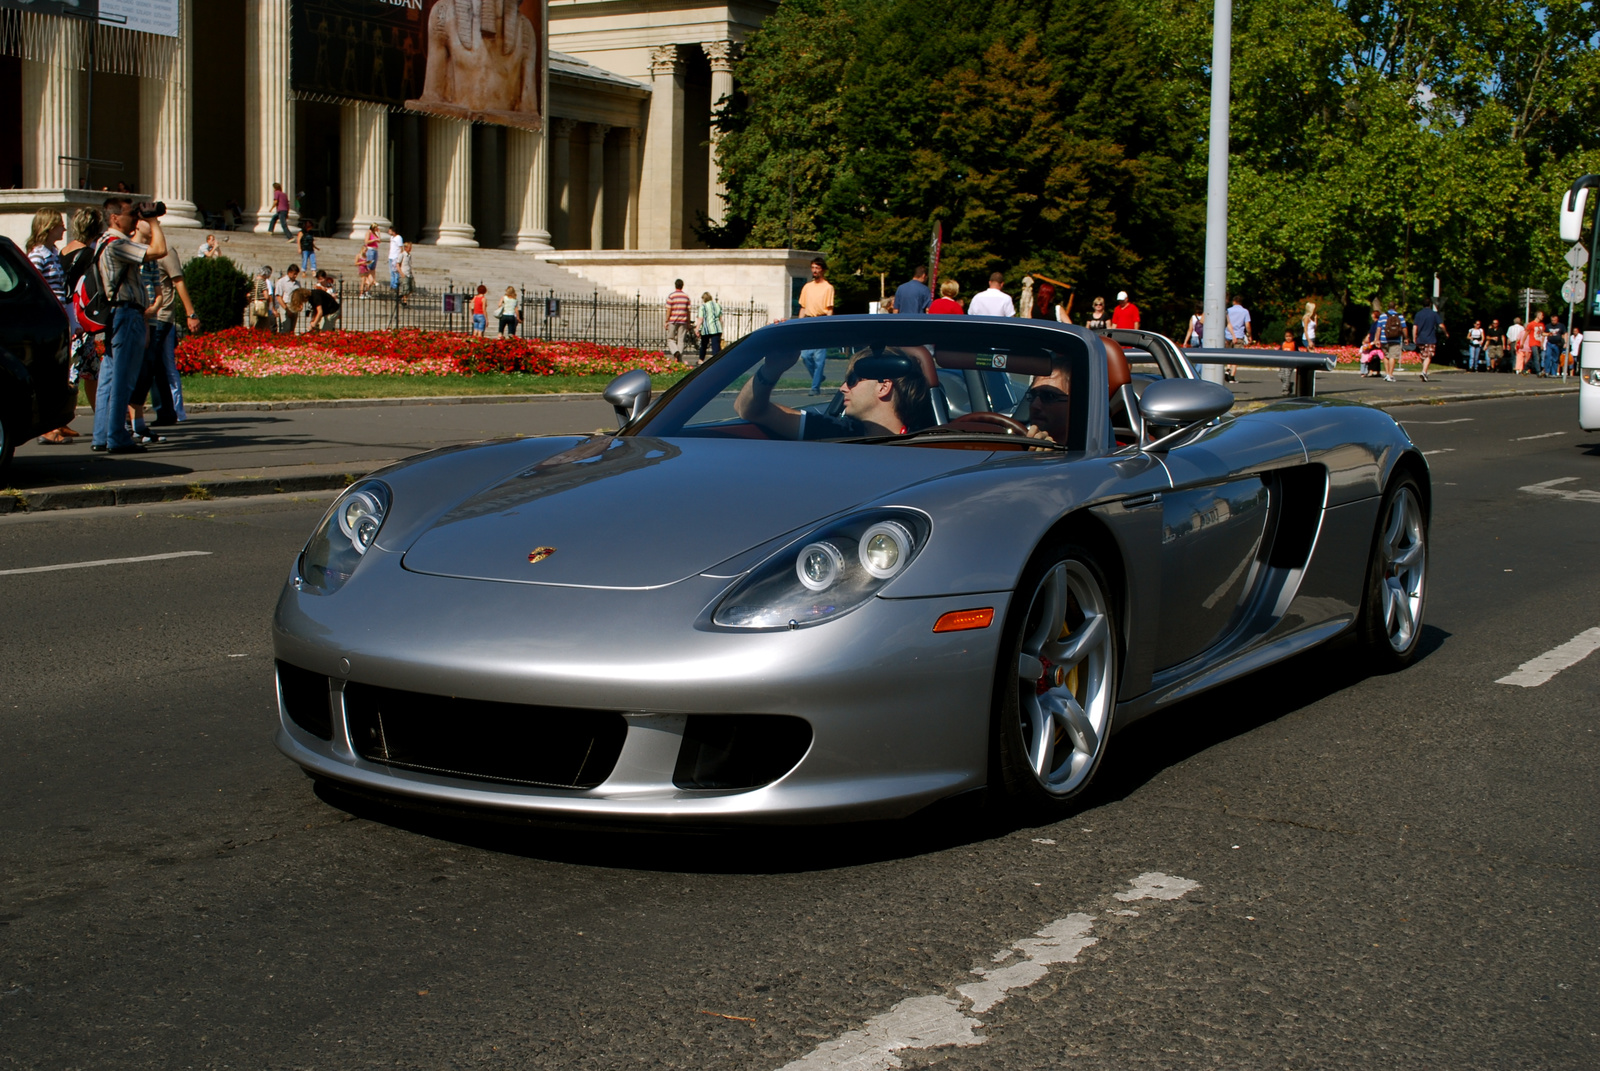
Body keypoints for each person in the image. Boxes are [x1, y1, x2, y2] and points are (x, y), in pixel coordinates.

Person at [91, 198, 168, 454]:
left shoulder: (102, 242)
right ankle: (117, 438)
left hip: (117, 315)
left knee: (108, 379)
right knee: (123, 380)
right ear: (114, 218)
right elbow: (158, 250)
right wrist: (154, 221)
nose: (134, 218)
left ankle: (102, 436)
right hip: (127, 315)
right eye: (129, 214)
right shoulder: (116, 245)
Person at [734, 349, 928, 440]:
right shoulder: (836, 431)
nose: (843, 388)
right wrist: (772, 369)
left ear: (883, 387)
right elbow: (750, 410)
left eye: (852, 380)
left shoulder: (930, 444)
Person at [137, 217, 199, 428]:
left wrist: (190, 313)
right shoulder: (140, 249)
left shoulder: (166, 251)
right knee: (157, 366)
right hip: (148, 315)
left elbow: (178, 281)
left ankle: (164, 410)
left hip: (162, 316)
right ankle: (165, 410)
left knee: (153, 364)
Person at [27, 209, 78, 444]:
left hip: (58, 317)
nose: (63, 229)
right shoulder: (39, 255)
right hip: (48, 319)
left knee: (59, 371)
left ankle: (57, 421)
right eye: (59, 225)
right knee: (48, 372)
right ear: (48, 227)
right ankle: (45, 428)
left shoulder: (53, 252)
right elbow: (35, 287)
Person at [60, 207, 105, 427]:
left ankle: (100, 417)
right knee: (74, 371)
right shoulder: (89, 255)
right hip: (79, 319)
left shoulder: (64, 251)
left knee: (91, 369)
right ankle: (59, 420)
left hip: (68, 314)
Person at [797, 258, 835, 393]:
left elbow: (829, 309)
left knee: (819, 358)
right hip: (808, 321)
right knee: (806, 356)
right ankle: (818, 378)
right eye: (813, 267)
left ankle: (815, 387)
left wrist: (828, 326)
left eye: (817, 268)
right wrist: (799, 324)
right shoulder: (807, 287)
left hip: (821, 321)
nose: (814, 270)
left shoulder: (828, 287)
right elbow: (803, 307)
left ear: (823, 270)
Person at [1021, 354, 1073, 445]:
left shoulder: (1092, 451)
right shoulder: (1017, 444)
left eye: (1049, 396)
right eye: (1033, 395)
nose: (1034, 405)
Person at [1412, 297, 1444, 381]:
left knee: (1423, 355)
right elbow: (1441, 325)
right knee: (1429, 355)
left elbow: (1415, 326)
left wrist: (1414, 337)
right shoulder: (1433, 314)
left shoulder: (1418, 314)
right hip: (1430, 338)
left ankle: (1424, 372)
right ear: (1430, 304)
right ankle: (1424, 372)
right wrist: (1446, 332)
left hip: (1420, 338)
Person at [1376, 301, 1407, 382]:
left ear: (1387, 307)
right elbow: (1404, 328)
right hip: (1395, 339)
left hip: (1384, 339)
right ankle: (1390, 374)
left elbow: (1378, 328)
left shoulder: (1382, 316)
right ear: (1395, 307)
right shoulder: (1400, 316)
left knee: (1386, 356)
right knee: (1392, 356)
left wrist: (1377, 339)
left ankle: (1387, 373)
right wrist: (1406, 338)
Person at [1224, 296, 1252, 382]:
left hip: (1228, 334)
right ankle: (1232, 376)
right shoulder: (1245, 311)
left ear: (1234, 301)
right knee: (1236, 356)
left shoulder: (1228, 310)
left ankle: (1227, 368)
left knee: (1229, 355)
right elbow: (1247, 325)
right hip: (1239, 335)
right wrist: (1249, 335)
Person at [665, 278, 692, 362]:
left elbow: (669, 309)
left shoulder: (671, 296)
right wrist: (688, 322)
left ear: (675, 285)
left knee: (670, 338)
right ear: (682, 286)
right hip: (683, 320)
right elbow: (688, 311)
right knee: (681, 340)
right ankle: (679, 356)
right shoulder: (686, 297)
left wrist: (666, 321)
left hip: (673, 320)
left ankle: (676, 352)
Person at [274, 263, 303, 333]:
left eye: (296, 274)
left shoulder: (297, 283)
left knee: (292, 328)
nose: (295, 276)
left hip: (294, 305)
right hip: (286, 305)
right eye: (294, 274)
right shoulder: (281, 282)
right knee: (286, 327)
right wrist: (286, 308)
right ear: (289, 273)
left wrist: (300, 304)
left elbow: (299, 295)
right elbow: (278, 297)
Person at [698, 291, 724, 365]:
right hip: (716, 328)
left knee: (703, 345)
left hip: (706, 328)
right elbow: (721, 319)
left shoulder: (703, 307)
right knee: (716, 346)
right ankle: (716, 361)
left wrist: (697, 329)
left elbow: (700, 319)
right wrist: (722, 329)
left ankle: (701, 359)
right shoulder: (718, 305)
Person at [248, 265, 275, 330]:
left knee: (254, 326)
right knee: (264, 326)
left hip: (253, 305)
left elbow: (248, 295)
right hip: (261, 306)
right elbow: (266, 296)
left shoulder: (253, 282)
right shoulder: (263, 282)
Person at [360, 224, 380, 297]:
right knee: (369, 267)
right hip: (370, 250)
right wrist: (374, 239)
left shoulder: (375, 233)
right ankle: (366, 288)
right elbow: (366, 242)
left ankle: (368, 289)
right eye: (376, 228)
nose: (377, 229)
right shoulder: (368, 232)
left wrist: (379, 233)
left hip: (375, 250)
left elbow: (379, 240)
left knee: (373, 268)